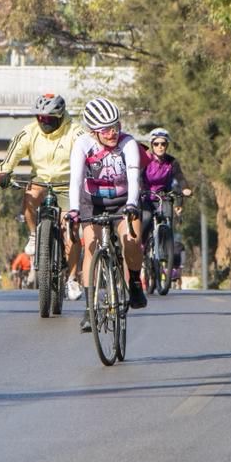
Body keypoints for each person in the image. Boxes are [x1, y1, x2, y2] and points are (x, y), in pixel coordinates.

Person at [0, 93, 86, 299]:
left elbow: (90, 154)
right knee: (30, 195)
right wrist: (4, 172)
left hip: (68, 184)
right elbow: (11, 156)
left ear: (60, 116)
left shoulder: (76, 131)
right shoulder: (29, 132)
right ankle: (34, 235)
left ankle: (72, 279)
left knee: (72, 228)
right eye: (40, 117)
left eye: (49, 118)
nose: (43, 122)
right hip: (41, 181)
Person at [66, 97, 145, 332]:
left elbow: (134, 177)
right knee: (91, 246)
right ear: (93, 132)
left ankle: (135, 282)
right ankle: (90, 308)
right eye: (106, 130)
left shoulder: (128, 143)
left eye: (116, 126)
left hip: (123, 201)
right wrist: (74, 210)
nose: (113, 133)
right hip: (93, 202)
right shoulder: (83, 144)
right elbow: (75, 180)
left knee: (131, 241)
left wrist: (132, 204)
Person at [141, 127, 192, 248]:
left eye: (163, 144)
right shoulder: (145, 160)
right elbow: (138, 176)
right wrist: (139, 188)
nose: (160, 147)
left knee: (167, 217)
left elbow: (179, 176)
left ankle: (164, 249)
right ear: (152, 145)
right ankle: (140, 245)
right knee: (146, 217)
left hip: (163, 197)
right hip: (146, 197)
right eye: (156, 144)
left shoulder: (171, 162)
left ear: (167, 145)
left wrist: (185, 188)